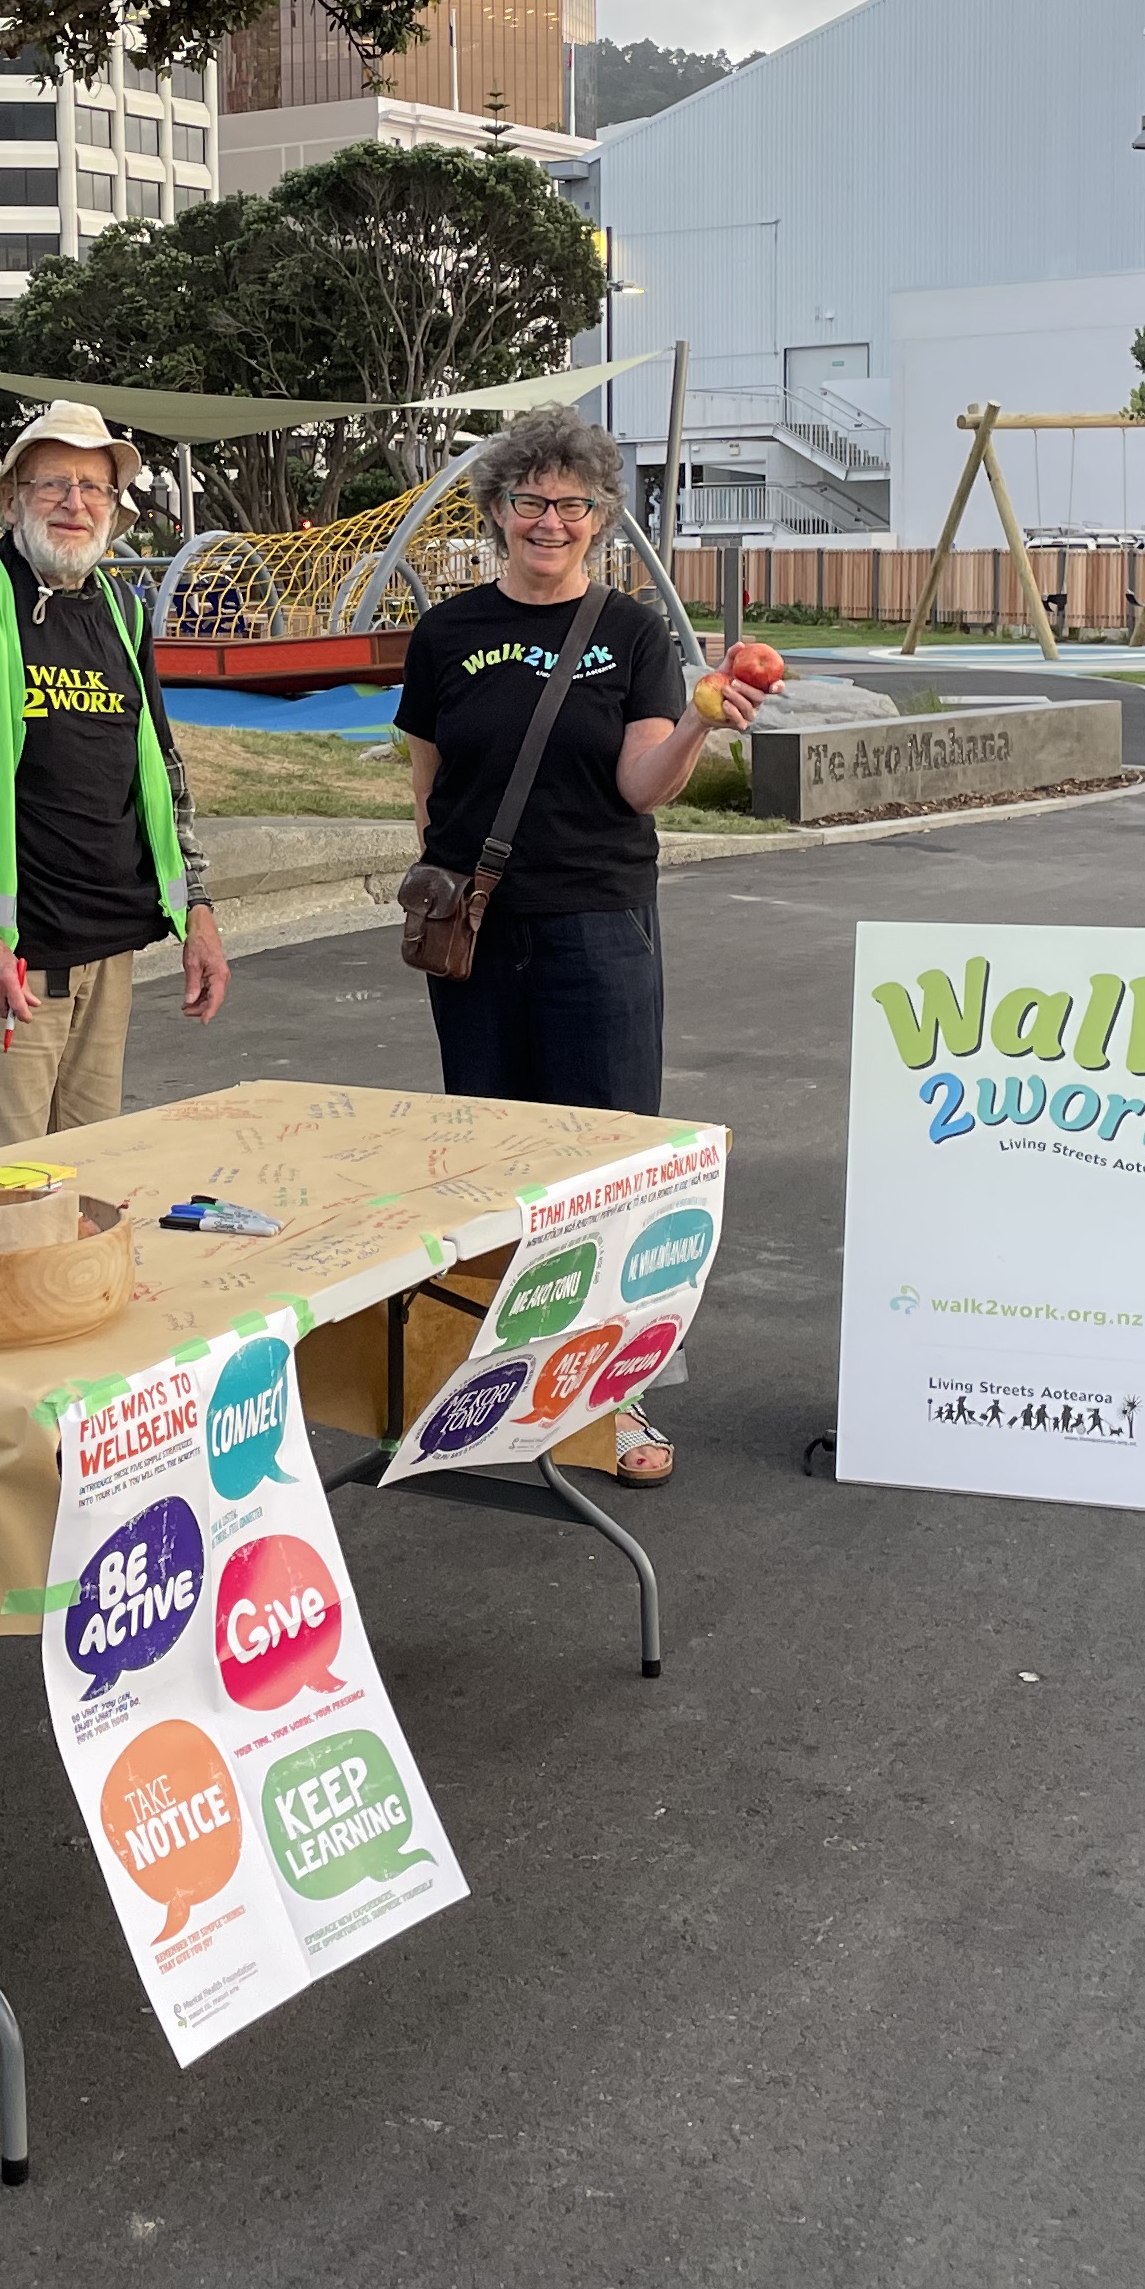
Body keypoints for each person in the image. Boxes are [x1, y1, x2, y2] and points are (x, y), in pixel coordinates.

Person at [394, 405, 761, 1487]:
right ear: (497, 510)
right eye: (530, 501)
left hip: (597, 926)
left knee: (604, 1169)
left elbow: (640, 785)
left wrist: (697, 722)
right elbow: (427, 778)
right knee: (490, 1166)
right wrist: (444, 874)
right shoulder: (447, 630)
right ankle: (497, 1385)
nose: (549, 521)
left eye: (573, 504)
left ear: (602, 519)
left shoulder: (631, 633)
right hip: (474, 938)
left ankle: (614, 1395)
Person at [0, 399, 230, 1140]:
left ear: (114, 507)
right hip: (9, 960)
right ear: (13, 499)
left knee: (85, 1184)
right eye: (54, 484)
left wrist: (197, 910)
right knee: (3, 1199)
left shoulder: (123, 612)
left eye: (94, 487)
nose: (75, 503)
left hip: (107, 951)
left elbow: (161, 776)